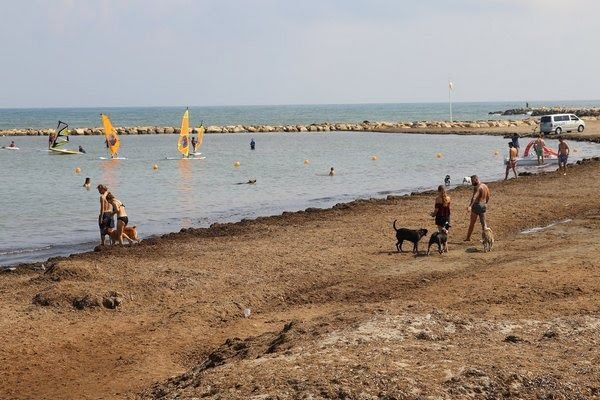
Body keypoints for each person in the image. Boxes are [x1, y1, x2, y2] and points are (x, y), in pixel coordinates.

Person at [465, 175, 491, 241]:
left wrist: (470, 206)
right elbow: (488, 196)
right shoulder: (485, 186)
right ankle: (487, 238)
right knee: (484, 224)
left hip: (476, 205)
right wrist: (485, 203)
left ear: (476, 179)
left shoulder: (477, 187)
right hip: (483, 205)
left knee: (472, 223)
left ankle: (468, 238)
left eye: (472, 181)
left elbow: (474, 197)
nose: (472, 183)